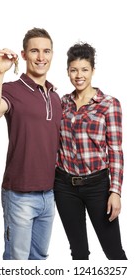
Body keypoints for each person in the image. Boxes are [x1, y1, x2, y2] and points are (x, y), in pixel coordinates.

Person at [0, 27, 62, 260]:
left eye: (46, 51)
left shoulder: (55, 96)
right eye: (34, 51)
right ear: (24, 55)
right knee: (17, 263)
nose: (41, 57)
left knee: (38, 259)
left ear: (52, 55)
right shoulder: (12, 90)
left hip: (49, 194)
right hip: (20, 194)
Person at [54, 42, 127, 260]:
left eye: (84, 69)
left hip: (98, 186)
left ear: (93, 71)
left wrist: (115, 191)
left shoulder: (108, 104)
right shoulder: (62, 103)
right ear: (68, 71)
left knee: (113, 251)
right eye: (74, 70)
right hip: (64, 186)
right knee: (78, 252)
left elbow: (115, 150)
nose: (79, 75)